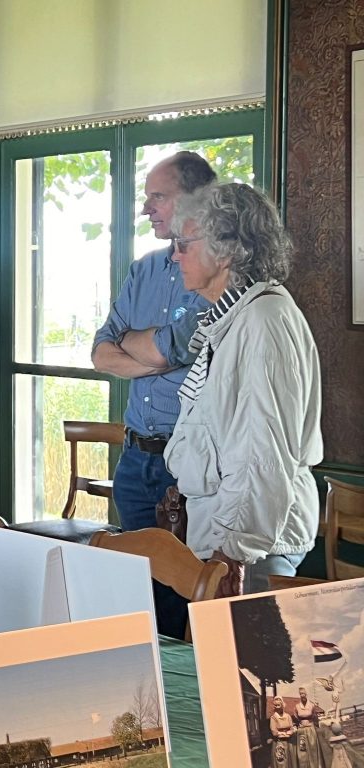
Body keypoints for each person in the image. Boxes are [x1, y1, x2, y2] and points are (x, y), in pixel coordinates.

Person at [165, 183, 323, 593]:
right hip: (230, 538)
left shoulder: (262, 321)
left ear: (228, 250)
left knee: (245, 659)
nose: (174, 254)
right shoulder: (236, 318)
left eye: (184, 243)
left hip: (250, 550)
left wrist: (233, 550)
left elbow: (261, 453)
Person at [92, 152, 216, 532]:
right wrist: (157, 356)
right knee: (139, 584)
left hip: (189, 460)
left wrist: (135, 344)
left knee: (186, 586)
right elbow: (101, 353)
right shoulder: (143, 269)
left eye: (157, 196)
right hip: (132, 460)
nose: (146, 208)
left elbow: (174, 346)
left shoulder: (215, 268)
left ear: (197, 198)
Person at [293, 687, 325, 768]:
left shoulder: (311, 705)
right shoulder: (297, 706)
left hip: (310, 728)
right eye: (300, 694)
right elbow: (295, 718)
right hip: (302, 730)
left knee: (313, 747)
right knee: (303, 749)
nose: (302, 695)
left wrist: (316, 727)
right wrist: (298, 725)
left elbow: (315, 718)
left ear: (306, 694)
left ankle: (315, 765)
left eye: (303, 693)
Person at [270, 697, 298, 768]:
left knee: (291, 762)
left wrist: (290, 732)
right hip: (279, 742)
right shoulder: (273, 717)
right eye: (275, 705)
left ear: (282, 705)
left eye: (278, 705)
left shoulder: (288, 716)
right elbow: (274, 731)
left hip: (289, 742)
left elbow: (292, 728)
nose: (277, 707)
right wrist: (281, 733)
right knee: (281, 762)